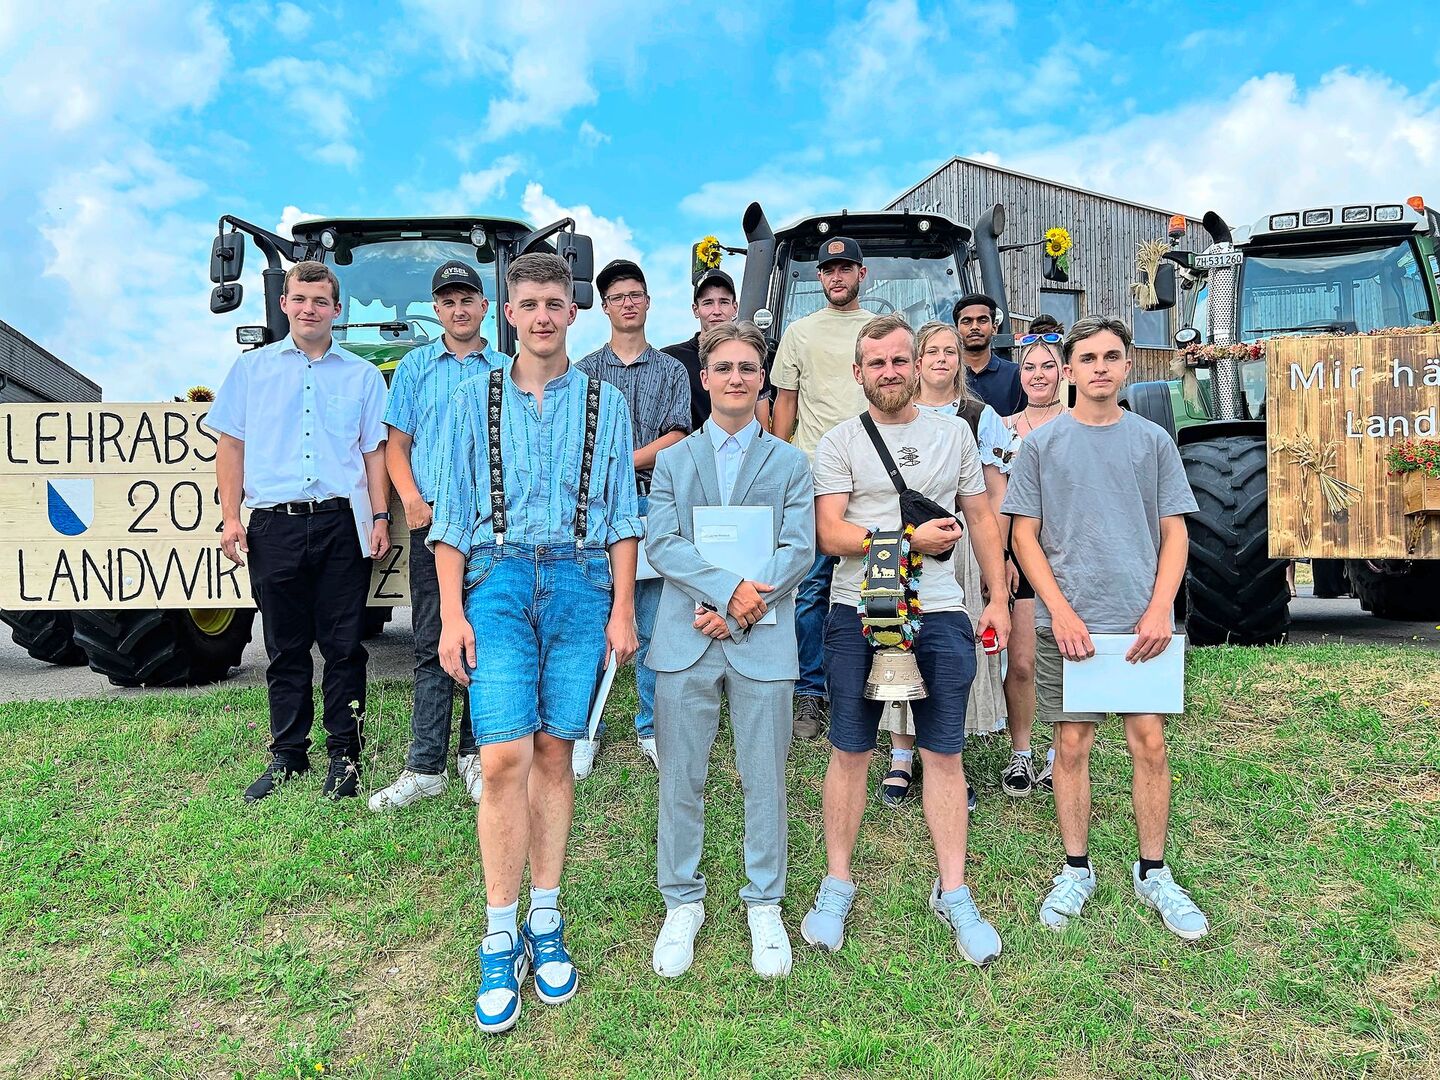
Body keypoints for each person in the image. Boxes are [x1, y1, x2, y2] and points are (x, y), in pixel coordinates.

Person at [432, 252, 642, 1034]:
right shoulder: (469, 400)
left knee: (555, 754)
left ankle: (544, 918)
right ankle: (499, 933)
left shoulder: (606, 403)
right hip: (497, 581)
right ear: (508, 313)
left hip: (583, 584)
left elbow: (623, 512)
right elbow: (451, 516)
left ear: (572, 312)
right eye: (530, 304)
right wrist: (450, 614)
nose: (544, 316)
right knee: (501, 758)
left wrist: (624, 608)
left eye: (556, 303)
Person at [802, 314, 1011, 966]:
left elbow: (981, 518)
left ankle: (954, 890)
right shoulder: (839, 442)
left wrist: (997, 597)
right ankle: (837, 882)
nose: (889, 372)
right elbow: (829, 533)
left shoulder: (954, 435)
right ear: (858, 372)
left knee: (943, 752)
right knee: (851, 750)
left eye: (900, 360)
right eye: (877, 363)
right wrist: (903, 541)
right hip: (857, 610)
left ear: (917, 366)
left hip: (942, 609)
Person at [1003, 315, 1210, 941]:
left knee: (1150, 742)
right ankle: (1076, 869)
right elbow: (1023, 536)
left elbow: (1175, 532)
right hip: (1069, 625)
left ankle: (1154, 872)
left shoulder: (1153, 442)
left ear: (1128, 365)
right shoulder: (1041, 447)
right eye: (1087, 358)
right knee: (1071, 746)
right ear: (1068, 370)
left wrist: (1161, 608)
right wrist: (1060, 610)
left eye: (1111, 357)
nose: (1099, 368)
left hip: (1140, 623)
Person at [645, 321, 815, 980]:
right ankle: (681, 900)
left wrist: (744, 607)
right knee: (680, 778)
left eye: (747, 367)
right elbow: (664, 542)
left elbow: (798, 548)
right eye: (724, 367)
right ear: (705, 377)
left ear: (761, 378)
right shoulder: (675, 461)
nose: (736, 378)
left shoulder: (791, 463)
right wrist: (726, 593)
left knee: (764, 776)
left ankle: (764, 902)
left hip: (762, 636)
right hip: (687, 638)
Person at [211, 260, 391, 803]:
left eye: (320, 301)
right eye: (300, 299)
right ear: (284, 304)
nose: (309, 309)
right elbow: (231, 445)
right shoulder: (251, 370)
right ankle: (288, 755)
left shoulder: (362, 376)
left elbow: (373, 453)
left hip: (340, 524)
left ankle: (345, 757)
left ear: (337, 309)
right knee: (284, 648)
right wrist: (231, 517)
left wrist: (380, 517)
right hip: (274, 525)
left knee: (344, 647)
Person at [369, 261, 506, 812]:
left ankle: (474, 755)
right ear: (437, 310)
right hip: (433, 526)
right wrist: (410, 500)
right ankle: (426, 765)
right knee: (431, 641)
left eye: (467, 299)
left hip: (490, 528)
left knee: (484, 641)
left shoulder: (507, 369)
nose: (458, 309)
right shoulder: (415, 367)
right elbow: (395, 446)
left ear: (485, 307)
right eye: (448, 301)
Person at [877, 321, 1015, 808]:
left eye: (949, 351)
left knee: (952, 656)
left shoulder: (977, 416)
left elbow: (993, 499)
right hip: (902, 545)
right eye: (931, 351)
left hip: (961, 548)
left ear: (961, 361)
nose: (941, 359)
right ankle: (900, 753)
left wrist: (998, 559)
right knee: (899, 639)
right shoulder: (893, 412)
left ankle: (947, 756)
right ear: (917, 361)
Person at [573, 259, 692, 779]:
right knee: (592, 620)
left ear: (648, 302)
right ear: (605, 307)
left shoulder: (671, 371)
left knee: (654, 621)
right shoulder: (583, 372)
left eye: (635, 294)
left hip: (654, 504)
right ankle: (583, 730)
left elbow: (677, 437)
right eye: (618, 296)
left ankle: (651, 727)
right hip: (596, 510)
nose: (628, 303)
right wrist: (611, 470)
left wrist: (619, 461)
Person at [770, 236, 876, 740]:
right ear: (819, 278)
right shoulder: (799, 332)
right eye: (829, 270)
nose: (837, 276)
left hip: (872, 474)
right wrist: (777, 467)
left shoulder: (879, 331)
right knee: (811, 588)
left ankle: (871, 686)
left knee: (876, 583)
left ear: (862, 274)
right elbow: (786, 404)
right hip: (814, 476)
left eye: (846, 268)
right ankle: (810, 691)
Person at [995, 328, 1071, 797]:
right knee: (1022, 662)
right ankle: (1021, 751)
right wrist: (1001, 556)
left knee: (1066, 657)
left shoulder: (1079, 424)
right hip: (1021, 558)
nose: (1038, 375)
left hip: (1067, 556)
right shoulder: (1001, 428)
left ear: (1064, 372)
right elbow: (994, 499)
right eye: (1029, 367)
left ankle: (1061, 752)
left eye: (1047, 366)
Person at [661, 267, 773, 431]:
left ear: (735, 307)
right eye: (708, 303)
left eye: (724, 302)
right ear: (695, 310)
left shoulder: (752, 354)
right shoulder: (672, 359)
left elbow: (762, 424)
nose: (717, 311)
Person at [954, 294, 1027, 416]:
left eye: (982, 321)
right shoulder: (948, 374)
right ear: (956, 330)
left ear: (994, 328)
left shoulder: (1017, 375)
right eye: (967, 322)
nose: (974, 327)